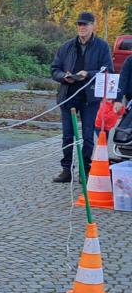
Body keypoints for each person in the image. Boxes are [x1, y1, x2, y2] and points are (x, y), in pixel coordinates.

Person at [51, 11, 113, 183]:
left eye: (85, 24)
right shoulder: (66, 46)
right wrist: (64, 76)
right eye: (79, 24)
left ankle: (85, 170)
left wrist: (88, 74)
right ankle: (66, 170)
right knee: (67, 135)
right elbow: (54, 69)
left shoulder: (102, 47)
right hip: (68, 95)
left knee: (87, 136)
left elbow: (108, 70)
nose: (82, 27)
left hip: (89, 98)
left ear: (93, 26)